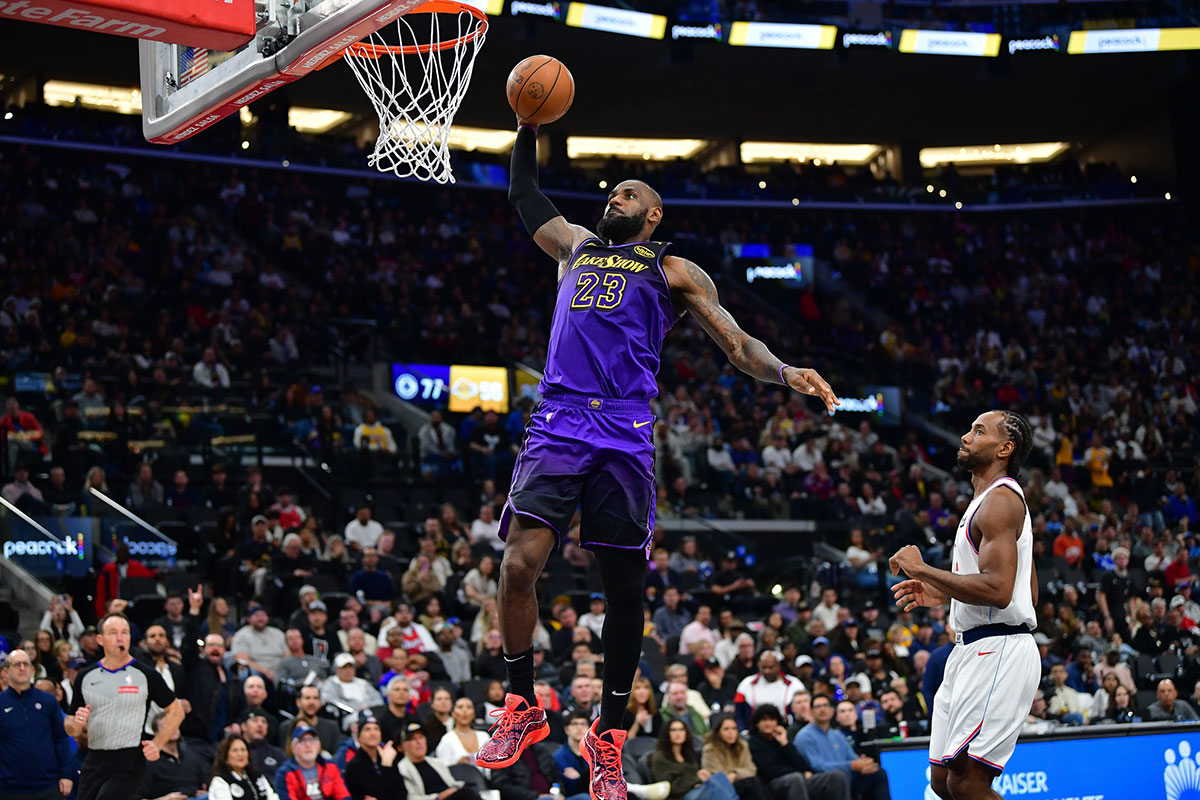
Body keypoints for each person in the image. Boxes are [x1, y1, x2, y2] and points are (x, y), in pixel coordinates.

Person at [476, 121, 839, 800]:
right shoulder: (575, 247)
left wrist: (788, 372)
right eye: (611, 192)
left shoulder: (673, 268)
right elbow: (523, 193)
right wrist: (526, 125)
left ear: (654, 213)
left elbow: (738, 345)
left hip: (624, 429)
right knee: (519, 562)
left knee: (623, 593)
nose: (613, 198)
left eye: (627, 193)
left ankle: (606, 737)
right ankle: (521, 703)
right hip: (559, 419)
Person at [889, 411, 1039, 800]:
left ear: (1005, 448)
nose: (965, 436)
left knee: (968, 782)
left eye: (978, 431)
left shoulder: (1001, 502)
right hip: (971, 648)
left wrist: (924, 568)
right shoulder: (986, 502)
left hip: (999, 648)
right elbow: (1026, 591)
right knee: (942, 782)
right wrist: (942, 591)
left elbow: (1001, 591)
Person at [65, 612, 186, 800]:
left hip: (129, 760)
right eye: (113, 632)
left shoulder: (146, 675)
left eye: (125, 632)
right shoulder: (85, 676)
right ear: (100, 639)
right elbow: (71, 725)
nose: (120, 637)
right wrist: (77, 724)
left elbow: (176, 711)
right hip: (94, 758)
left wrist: (158, 743)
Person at [0, 648, 75, 800]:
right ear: (6, 671)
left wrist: (66, 774)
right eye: (16, 664)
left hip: (50, 785)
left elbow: (61, 738)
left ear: (32, 669)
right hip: (11, 789)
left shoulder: (48, 700)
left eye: (26, 664)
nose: (22, 668)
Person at [792, 695, 888, 800]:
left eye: (825, 705)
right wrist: (852, 765)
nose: (822, 709)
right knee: (838, 777)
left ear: (832, 711)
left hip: (847, 778)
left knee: (877, 772)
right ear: (811, 711)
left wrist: (863, 765)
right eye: (818, 706)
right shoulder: (804, 736)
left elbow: (852, 757)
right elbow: (817, 766)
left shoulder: (837, 734)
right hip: (823, 782)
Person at [744, 706, 849, 800]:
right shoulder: (753, 743)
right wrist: (801, 773)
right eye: (764, 720)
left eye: (772, 720)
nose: (768, 723)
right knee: (795, 779)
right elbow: (770, 770)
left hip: (798, 781)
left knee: (836, 776)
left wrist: (785, 743)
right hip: (772, 785)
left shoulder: (781, 739)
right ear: (757, 723)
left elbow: (801, 764)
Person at [648, 719, 739, 800]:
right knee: (714, 789)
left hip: (696, 789)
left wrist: (701, 775)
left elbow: (693, 776)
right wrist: (697, 778)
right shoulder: (660, 758)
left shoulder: (687, 754)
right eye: (673, 730)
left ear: (686, 733)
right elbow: (668, 787)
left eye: (681, 730)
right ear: (667, 733)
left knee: (719, 777)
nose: (678, 733)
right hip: (681, 796)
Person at [398, 722, 482, 800]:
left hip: (453, 796)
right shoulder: (402, 769)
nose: (419, 742)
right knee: (466, 793)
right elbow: (411, 797)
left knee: (469, 790)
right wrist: (438, 796)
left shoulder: (436, 762)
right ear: (402, 746)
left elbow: (452, 783)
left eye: (421, 737)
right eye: (413, 739)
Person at [137, 711, 211, 800]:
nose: (172, 728)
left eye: (174, 723)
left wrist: (207, 792)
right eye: (166, 725)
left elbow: (206, 784)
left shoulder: (193, 755)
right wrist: (166, 799)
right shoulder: (150, 762)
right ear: (156, 733)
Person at [701, 715, 770, 800]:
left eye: (734, 728)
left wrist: (735, 773)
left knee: (754, 784)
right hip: (722, 788)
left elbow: (751, 769)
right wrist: (737, 774)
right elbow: (719, 777)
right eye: (726, 729)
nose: (731, 733)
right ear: (718, 732)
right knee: (752, 783)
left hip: (742, 783)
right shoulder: (710, 750)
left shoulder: (742, 746)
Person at [274, 724, 351, 800]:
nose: (308, 745)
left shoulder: (331, 766)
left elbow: (343, 795)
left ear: (319, 745)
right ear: (293, 748)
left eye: (312, 739)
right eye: (302, 740)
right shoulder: (284, 774)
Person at [343, 710, 404, 800]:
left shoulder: (389, 758)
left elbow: (402, 792)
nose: (373, 733)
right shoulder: (354, 766)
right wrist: (386, 766)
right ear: (359, 737)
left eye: (376, 729)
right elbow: (376, 792)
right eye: (367, 729)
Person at [208, 733, 281, 800]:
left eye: (243, 750)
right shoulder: (220, 781)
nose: (240, 754)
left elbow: (273, 797)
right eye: (235, 750)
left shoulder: (257, 776)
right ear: (225, 757)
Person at [436, 697, 491, 770]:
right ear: (453, 713)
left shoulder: (484, 737)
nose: (464, 711)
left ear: (474, 714)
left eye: (469, 707)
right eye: (460, 707)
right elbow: (443, 771)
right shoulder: (447, 740)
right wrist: (457, 765)